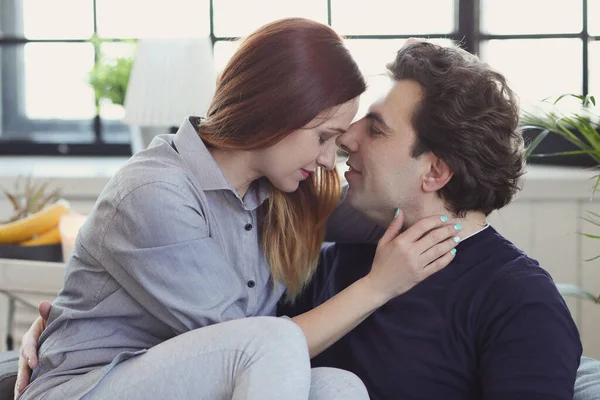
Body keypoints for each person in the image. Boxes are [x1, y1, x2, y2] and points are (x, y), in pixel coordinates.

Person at [13, 20, 459, 400]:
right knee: (274, 340)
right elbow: (251, 343)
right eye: (323, 136)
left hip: (185, 380)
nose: (329, 159)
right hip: (87, 387)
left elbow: (406, 208)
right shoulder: (154, 192)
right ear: (276, 113)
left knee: (337, 388)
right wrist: (378, 286)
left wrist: (444, 171)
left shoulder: (281, 194)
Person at [277, 40, 584, 399]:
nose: (347, 137)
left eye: (375, 129)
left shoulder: (519, 300)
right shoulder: (340, 260)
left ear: (436, 172)